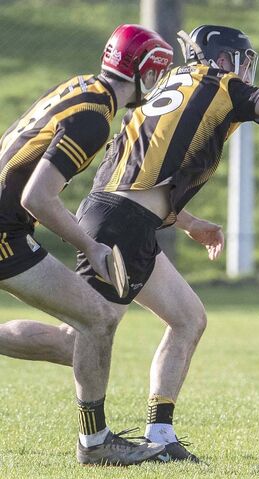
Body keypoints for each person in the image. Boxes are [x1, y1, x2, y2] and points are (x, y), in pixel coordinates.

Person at [0, 24, 259, 463]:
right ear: (223, 59)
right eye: (239, 59)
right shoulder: (221, 85)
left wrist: (190, 223)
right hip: (118, 225)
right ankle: (97, 441)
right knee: (78, 337)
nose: (244, 69)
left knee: (187, 318)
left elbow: (140, 181)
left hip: (126, 219)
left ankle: (160, 433)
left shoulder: (157, 97)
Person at [0, 24, 173, 465]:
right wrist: (92, 247)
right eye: (158, 73)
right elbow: (37, 197)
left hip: (7, 225)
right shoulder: (95, 118)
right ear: (145, 72)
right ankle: (95, 445)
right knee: (97, 321)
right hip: (4, 231)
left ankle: (96, 441)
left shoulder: (83, 87)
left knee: (79, 341)